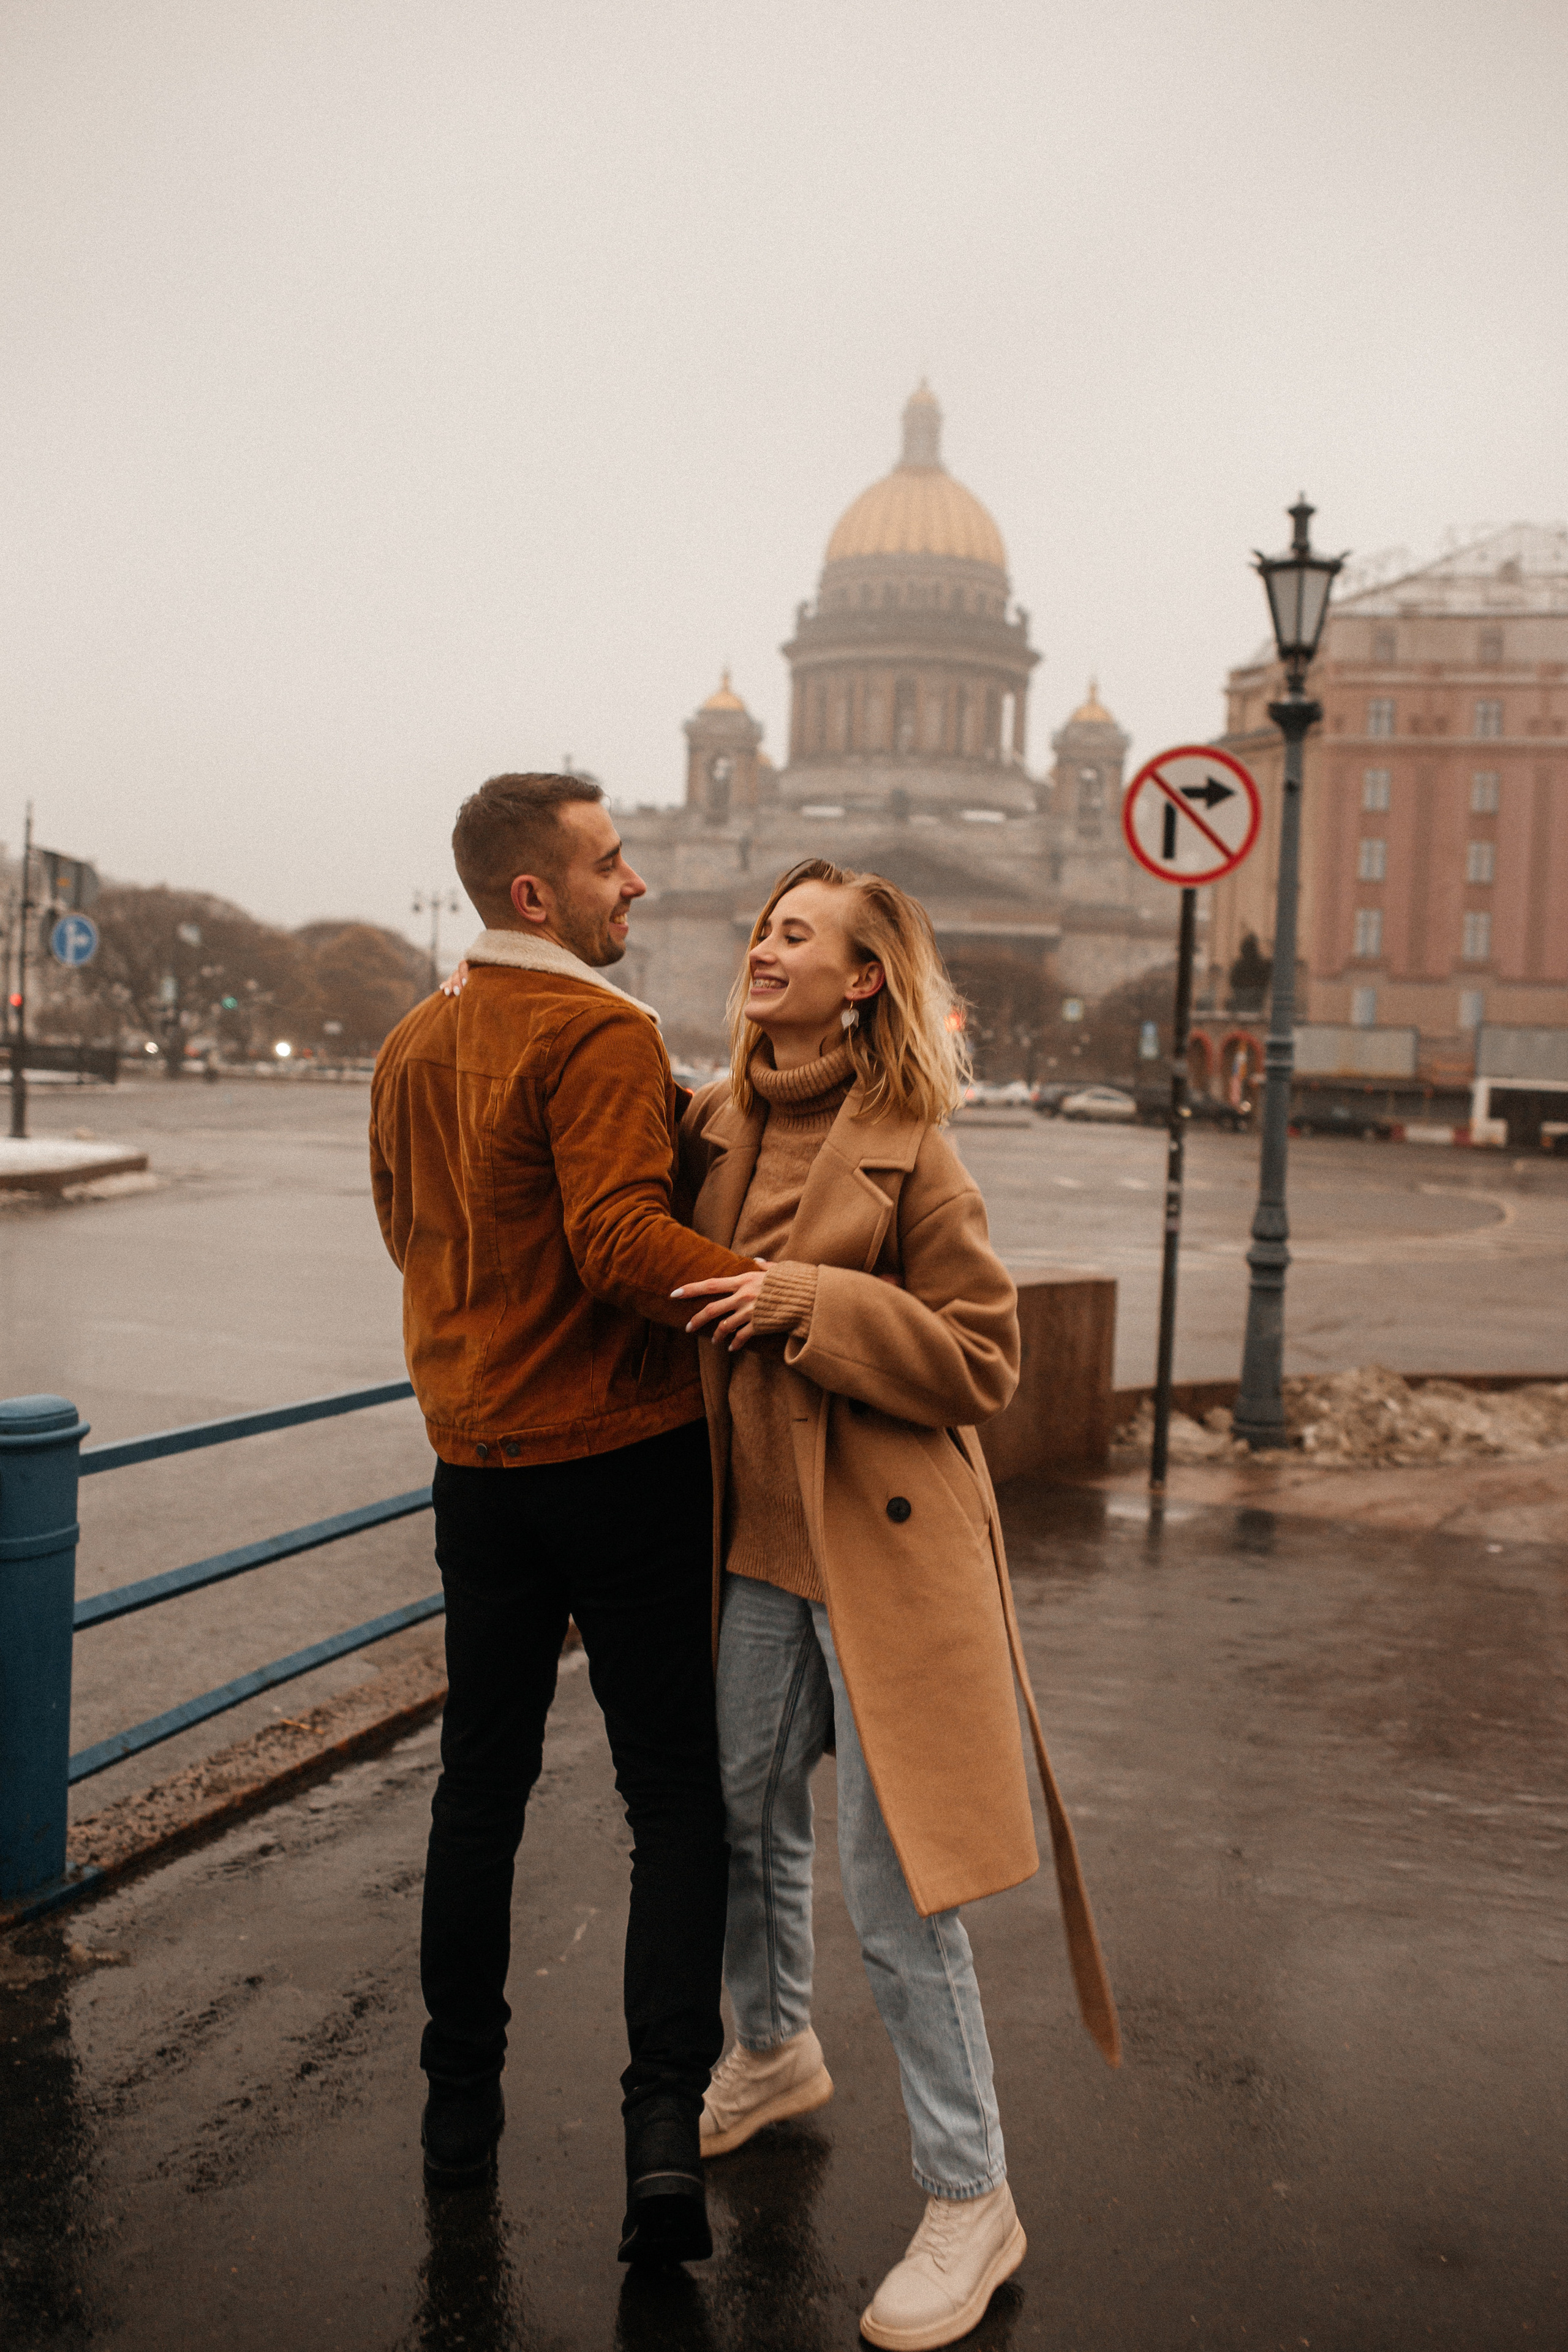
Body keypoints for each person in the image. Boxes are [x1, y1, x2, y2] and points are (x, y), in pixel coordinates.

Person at [671, 858, 1120, 2352]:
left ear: (862, 978)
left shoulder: (916, 1149)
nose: (763, 946)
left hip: (881, 1557)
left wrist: (815, 1303)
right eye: (760, 926)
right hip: (752, 1554)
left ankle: (967, 2192)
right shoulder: (719, 1122)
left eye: (796, 934)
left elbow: (981, 1359)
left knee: (893, 1884)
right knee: (729, 1817)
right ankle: (772, 2048)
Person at [370, 772, 756, 2263]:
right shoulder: (599, 1030)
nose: (636, 885)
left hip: (478, 1472)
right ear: (536, 896)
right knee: (673, 1800)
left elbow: (410, 1234)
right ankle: (662, 2121)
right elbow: (615, 1245)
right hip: (621, 1463)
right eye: (610, 865)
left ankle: (455, 2117)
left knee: (481, 1792)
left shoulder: (414, 1040)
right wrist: (774, 1299)